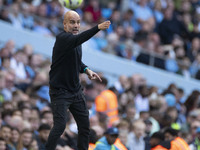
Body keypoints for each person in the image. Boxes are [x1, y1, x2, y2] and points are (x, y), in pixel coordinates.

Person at [45, 10, 111, 150]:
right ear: (64, 24)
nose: (76, 25)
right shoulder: (62, 38)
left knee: (85, 127)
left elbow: (77, 62)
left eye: (78, 22)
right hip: (60, 92)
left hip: (76, 92)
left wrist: (87, 70)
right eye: (72, 22)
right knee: (60, 126)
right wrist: (97, 28)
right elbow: (79, 39)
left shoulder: (75, 41)